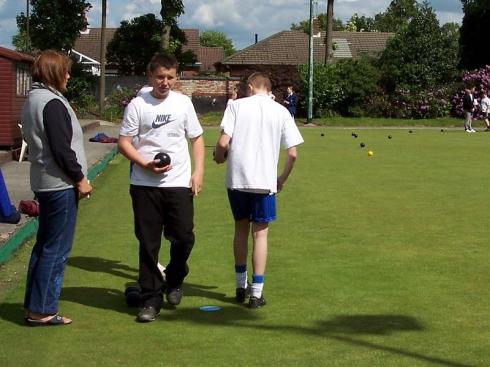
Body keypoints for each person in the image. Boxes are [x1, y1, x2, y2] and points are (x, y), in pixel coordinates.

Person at [118, 53, 205, 323]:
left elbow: (197, 138)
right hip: (145, 185)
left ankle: (175, 278)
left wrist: (198, 172)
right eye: (160, 77)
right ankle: (150, 300)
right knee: (148, 244)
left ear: (175, 76)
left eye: (170, 77)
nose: (165, 82)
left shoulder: (183, 104)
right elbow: (124, 142)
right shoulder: (137, 105)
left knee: (183, 237)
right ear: (150, 75)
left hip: (178, 183)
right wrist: (144, 164)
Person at [214, 72, 304, 308]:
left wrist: (218, 156)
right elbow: (292, 153)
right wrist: (281, 179)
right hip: (264, 181)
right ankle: (256, 293)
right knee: (260, 234)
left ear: (252, 88)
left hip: (237, 180)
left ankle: (239, 286)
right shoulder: (281, 111)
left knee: (240, 230)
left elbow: (223, 143)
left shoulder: (235, 106)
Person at [21, 50, 92, 326]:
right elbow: (62, 149)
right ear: (53, 72)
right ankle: (42, 310)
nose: (69, 75)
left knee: (44, 245)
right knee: (56, 248)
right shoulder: (51, 102)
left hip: (44, 182)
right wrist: (80, 179)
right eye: (65, 70)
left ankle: (34, 306)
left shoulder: (34, 99)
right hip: (59, 185)